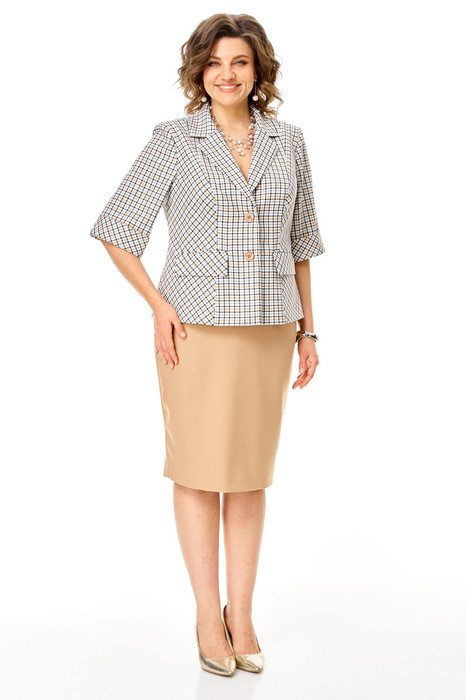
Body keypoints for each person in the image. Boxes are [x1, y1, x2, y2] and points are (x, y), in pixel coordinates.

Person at [88, 13, 325, 677]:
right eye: (215, 62)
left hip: (270, 330)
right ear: (198, 70)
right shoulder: (174, 139)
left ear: (258, 70)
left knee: (248, 474)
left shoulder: (289, 141)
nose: (227, 73)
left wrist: (308, 330)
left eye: (240, 62)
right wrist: (158, 305)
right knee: (197, 469)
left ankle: (240, 614)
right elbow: (116, 229)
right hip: (192, 329)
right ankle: (205, 615)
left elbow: (302, 244)